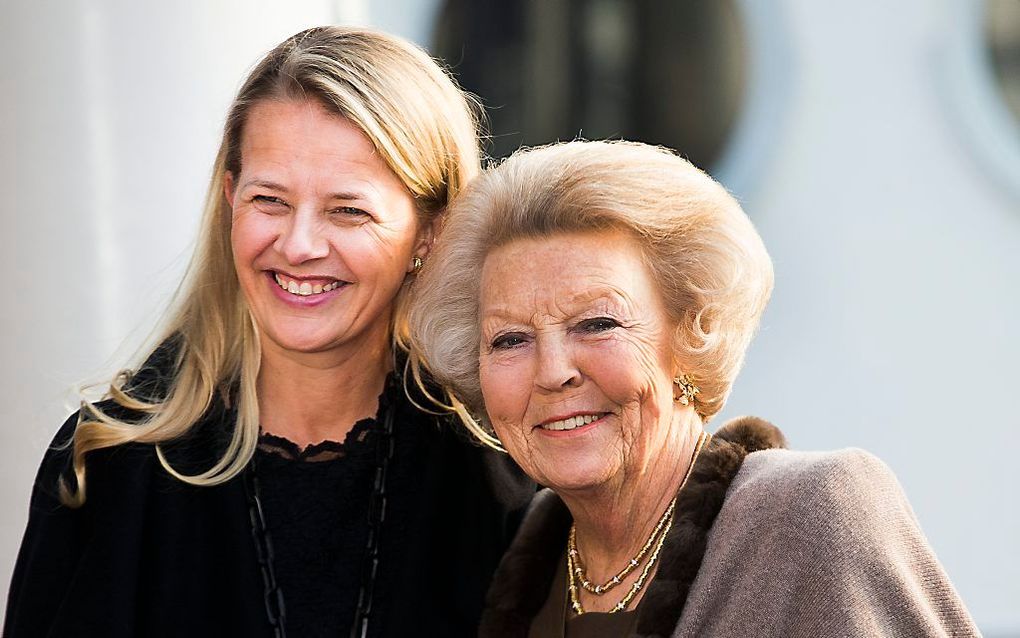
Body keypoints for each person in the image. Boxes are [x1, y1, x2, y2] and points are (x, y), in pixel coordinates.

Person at [4, 27, 533, 638]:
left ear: (430, 233)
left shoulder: (501, 469)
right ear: (231, 199)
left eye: (347, 210)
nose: (299, 245)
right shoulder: (104, 468)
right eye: (270, 200)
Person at [408, 140, 979, 637]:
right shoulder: (526, 560)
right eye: (509, 340)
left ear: (691, 333)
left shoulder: (809, 514)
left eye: (598, 324)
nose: (553, 371)